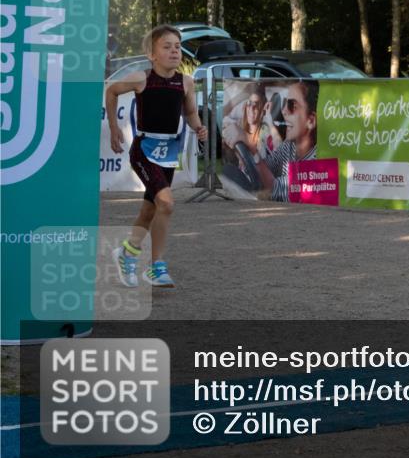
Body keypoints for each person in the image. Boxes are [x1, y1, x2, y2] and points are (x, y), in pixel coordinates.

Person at [105, 24, 208, 288]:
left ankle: (127, 253)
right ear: (152, 54)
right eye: (167, 46)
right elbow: (112, 91)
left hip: (169, 152)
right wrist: (115, 129)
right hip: (144, 151)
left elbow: (190, 112)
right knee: (167, 203)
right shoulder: (142, 78)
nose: (174, 51)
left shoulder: (185, 81)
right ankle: (156, 267)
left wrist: (198, 127)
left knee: (150, 210)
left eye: (177, 46)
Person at [230, 80, 319, 202]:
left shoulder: (317, 161)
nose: (283, 111)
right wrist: (246, 157)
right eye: (284, 104)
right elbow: (267, 166)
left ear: (311, 121)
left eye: (292, 105)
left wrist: (252, 149)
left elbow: (275, 189)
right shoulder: (290, 146)